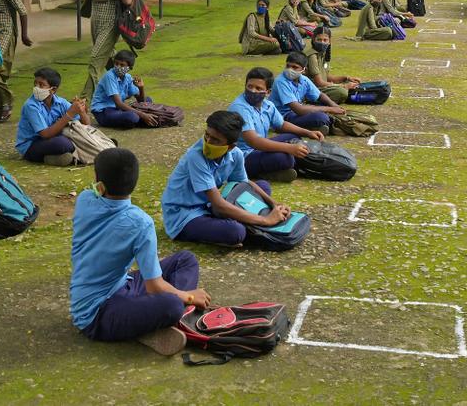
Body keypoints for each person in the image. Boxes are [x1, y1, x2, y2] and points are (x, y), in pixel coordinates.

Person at [70, 148, 211, 355]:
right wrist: (189, 297)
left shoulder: (84, 199)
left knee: (185, 260)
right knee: (173, 303)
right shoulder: (141, 222)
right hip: (96, 315)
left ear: (99, 185)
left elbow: (153, 284)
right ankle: (155, 321)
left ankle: (148, 320)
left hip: (122, 285)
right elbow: (154, 286)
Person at [161, 111, 292, 247]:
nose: (208, 142)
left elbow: (244, 183)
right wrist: (266, 220)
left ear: (230, 146)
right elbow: (219, 205)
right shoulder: (196, 157)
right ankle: (249, 225)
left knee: (262, 186)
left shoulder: (236, 154)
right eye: (207, 135)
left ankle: (247, 224)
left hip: (209, 206)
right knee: (236, 231)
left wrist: (274, 203)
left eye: (215, 140)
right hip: (185, 214)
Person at [228, 67, 323, 182]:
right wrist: (289, 148)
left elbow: (281, 124)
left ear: (268, 92)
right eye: (250, 86)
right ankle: (264, 173)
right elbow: (254, 141)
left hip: (259, 148)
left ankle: (276, 168)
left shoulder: (267, 105)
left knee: (294, 137)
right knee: (284, 158)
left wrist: (308, 132)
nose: (253, 91)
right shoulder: (240, 107)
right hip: (243, 156)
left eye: (258, 88)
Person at [69, 0, 134, 99]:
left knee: (96, 59)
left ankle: (85, 99)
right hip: (95, 23)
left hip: (111, 25)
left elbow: (128, 0)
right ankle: (126, 87)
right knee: (109, 60)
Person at [16, 67, 90, 166]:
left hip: (51, 139)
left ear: (53, 89)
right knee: (63, 143)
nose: (36, 87)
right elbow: (45, 134)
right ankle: (78, 155)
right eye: (35, 83)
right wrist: (69, 115)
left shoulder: (61, 102)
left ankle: (56, 158)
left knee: (82, 136)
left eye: (41, 85)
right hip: (31, 145)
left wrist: (81, 111)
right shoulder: (31, 106)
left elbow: (86, 125)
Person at [270, 51, 345, 134]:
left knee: (323, 107)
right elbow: (299, 110)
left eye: (295, 67)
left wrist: (334, 105)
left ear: (304, 70)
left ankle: (318, 126)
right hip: (284, 116)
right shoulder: (281, 81)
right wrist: (330, 109)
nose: (290, 70)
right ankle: (318, 126)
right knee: (321, 117)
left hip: (296, 111)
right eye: (288, 66)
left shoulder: (304, 79)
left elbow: (320, 95)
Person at [90, 49, 159, 128]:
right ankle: (140, 119)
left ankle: (139, 119)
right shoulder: (109, 76)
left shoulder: (128, 78)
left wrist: (141, 88)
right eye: (116, 63)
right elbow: (119, 104)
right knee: (132, 117)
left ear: (129, 67)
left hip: (117, 109)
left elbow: (141, 101)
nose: (118, 67)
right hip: (104, 111)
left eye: (122, 65)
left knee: (148, 100)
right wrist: (142, 114)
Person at [302, 27, 361, 104]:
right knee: (341, 92)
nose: (322, 42)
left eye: (325, 40)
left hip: (321, 87)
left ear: (329, 41)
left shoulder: (322, 54)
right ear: (313, 39)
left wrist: (346, 78)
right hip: (313, 90)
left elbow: (327, 77)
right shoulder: (312, 56)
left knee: (350, 85)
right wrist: (344, 86)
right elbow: (319, 83)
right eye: (319, 40)